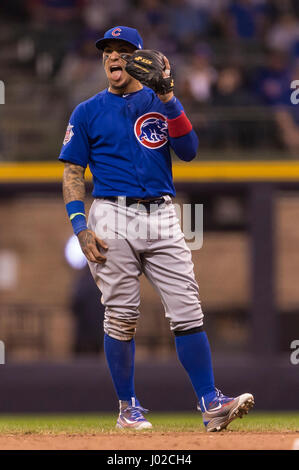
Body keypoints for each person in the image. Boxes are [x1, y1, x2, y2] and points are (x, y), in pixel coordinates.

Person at [59, 25, 254, 432]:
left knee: (187, 308)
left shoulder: (159, 101)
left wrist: (168, 96)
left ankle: (211, 402)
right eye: (107, 51)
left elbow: (189, 151)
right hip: (111, 214)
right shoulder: (87, 110)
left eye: (123, 50)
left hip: (163, 212)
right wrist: (80, 227)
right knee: (122, 315)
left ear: (139, 58)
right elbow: (73, 173)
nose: (113, 56)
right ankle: (128, 408)